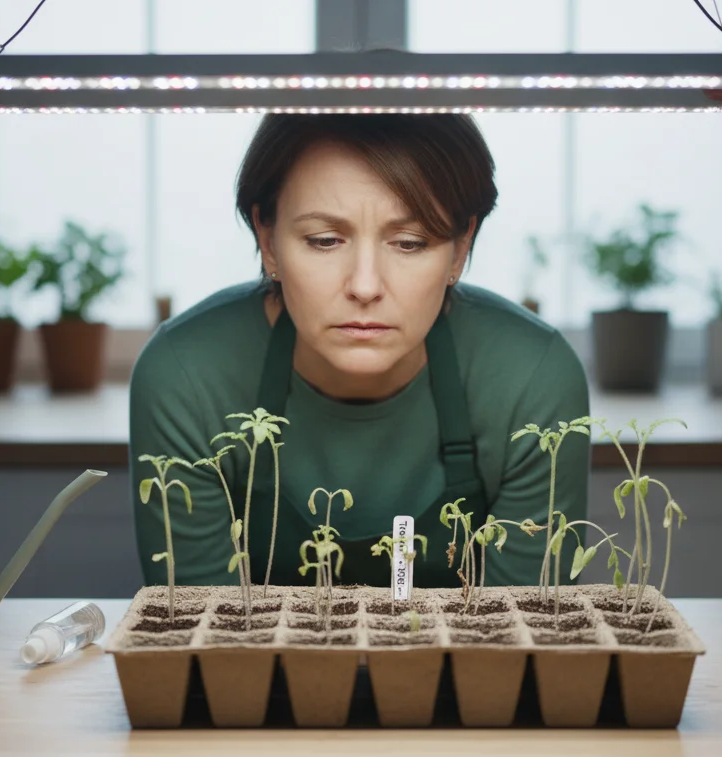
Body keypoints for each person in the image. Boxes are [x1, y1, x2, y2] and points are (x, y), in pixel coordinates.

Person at [128, 113, 591, 591]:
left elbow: (523, 647)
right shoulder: (185, 374)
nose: (365, 286)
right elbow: (200, 646)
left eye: (410, 243)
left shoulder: (533, 378)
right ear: (267, 239)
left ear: (459, 248)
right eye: (324, 241)